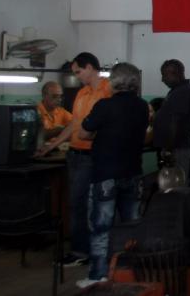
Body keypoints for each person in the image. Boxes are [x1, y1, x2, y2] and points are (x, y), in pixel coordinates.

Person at [75, 63, 149, 288]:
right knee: (131, 225)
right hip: (133, 173)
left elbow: (84, 133)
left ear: (113, 82)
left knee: (101, 227)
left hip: (105, 173)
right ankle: (129, 272)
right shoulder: (142, 106)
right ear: (136, 83)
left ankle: (98, 276)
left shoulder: (104, 105)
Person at [39, 52, 111, 267]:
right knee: (77, 205)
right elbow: (74, 124)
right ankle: (82, 250)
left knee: (95, 205)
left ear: (90, 67)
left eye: (78, 72)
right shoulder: (81, 93)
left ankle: (88, 251)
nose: (77, 76)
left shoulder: (108, 90)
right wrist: (51, 145)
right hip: (76, 155)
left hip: (94, 156)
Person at [152, 59, 190, 178]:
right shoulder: (179, 90)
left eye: (164, 75)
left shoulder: (181, 92)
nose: (162, 79)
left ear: (175, 73)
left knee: (176, 187)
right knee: (174, 185)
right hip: (177, 148)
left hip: (177, 149)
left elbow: (175, 122)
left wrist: (169, 150)